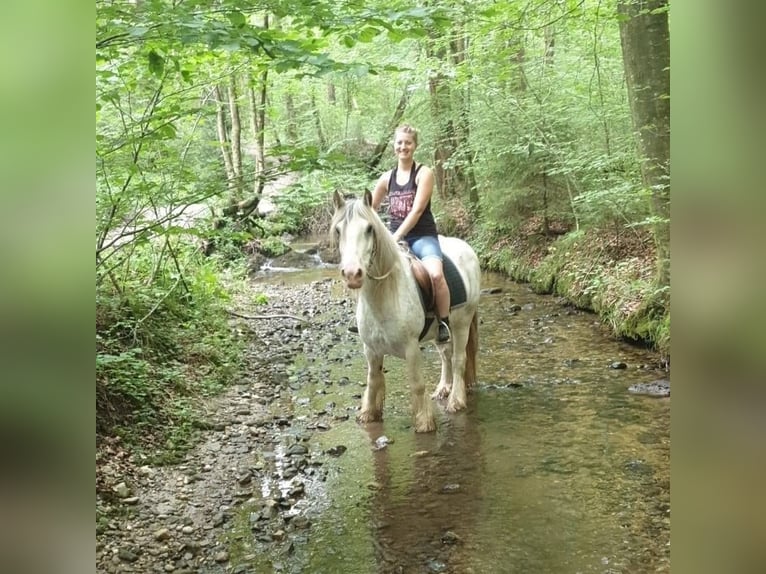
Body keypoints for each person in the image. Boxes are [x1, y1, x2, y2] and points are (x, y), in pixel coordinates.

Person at [351, 124, 451, 343]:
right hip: (394, 238)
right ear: (394, 146)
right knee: (366, 268)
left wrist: (394, 238)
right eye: (399, 143)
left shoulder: (424, 173)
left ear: (415, 146)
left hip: (422, 236)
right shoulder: (386, 179)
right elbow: (369, 211)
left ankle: (443, 321)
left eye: (408, 142)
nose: (403, 147)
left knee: (435, 274)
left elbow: (416, 212)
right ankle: (364, 320)